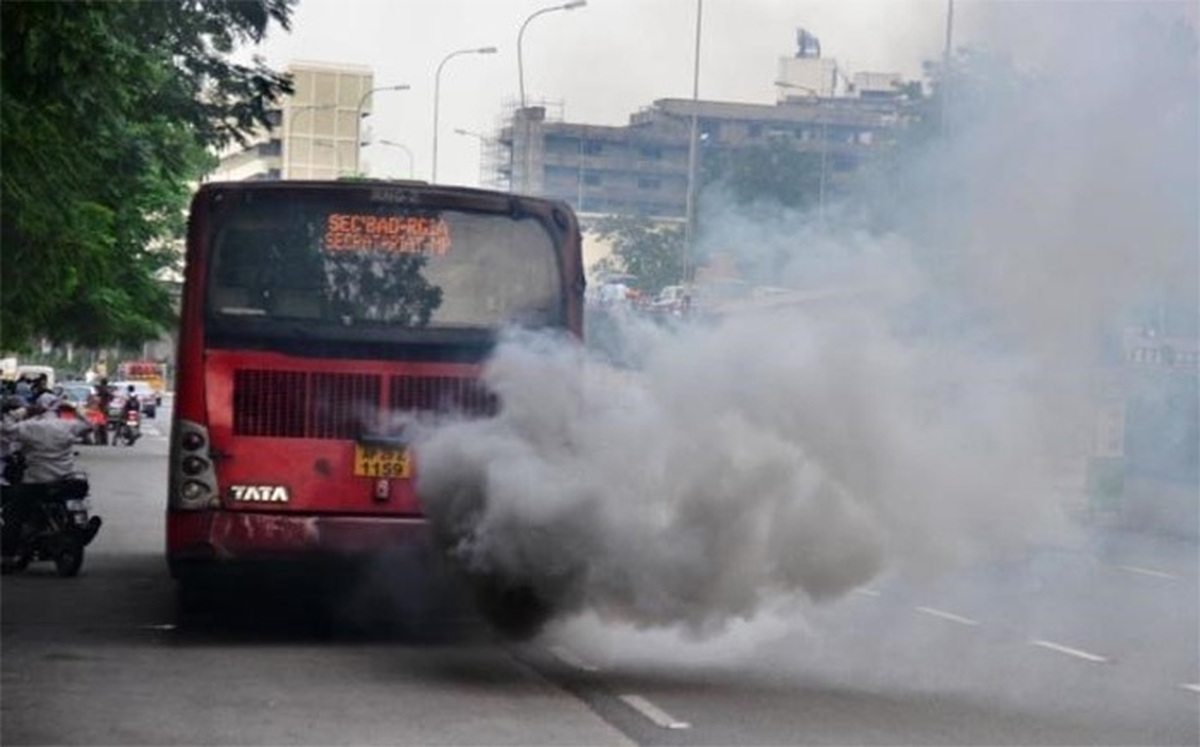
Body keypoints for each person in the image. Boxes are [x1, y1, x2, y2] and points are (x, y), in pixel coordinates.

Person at [1, 396, 93, 560]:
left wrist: (16, 415)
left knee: (13, 513)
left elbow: (7, 430)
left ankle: (8, 554)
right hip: (64, 480)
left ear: (37, 409)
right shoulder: (68, 425)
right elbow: (89, 425)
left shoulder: (30, 426)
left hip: (36, 481)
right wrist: (74, 410)